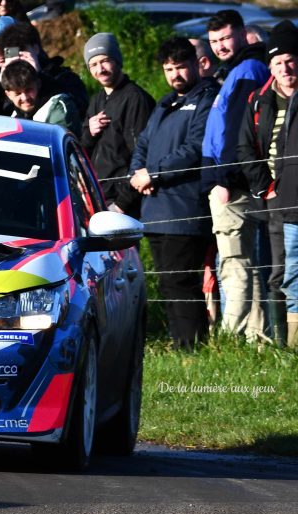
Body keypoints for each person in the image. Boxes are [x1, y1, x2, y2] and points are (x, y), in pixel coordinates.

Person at [129, 37, 218, 349]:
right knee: (167, 282)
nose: (175, 74)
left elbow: (195, 148)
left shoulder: (206, 98)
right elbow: (142, 144)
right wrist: (137, 174)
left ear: (196, 64)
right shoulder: (165, 103)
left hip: (184, 209)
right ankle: (179, 342)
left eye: (180, 67)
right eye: (169, 69)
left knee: (182, 281)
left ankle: (191, 344)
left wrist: (155, 173)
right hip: (154, 209)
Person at [202, 9, 270, 342]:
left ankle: (235, 335)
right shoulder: (236, 69)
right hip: (229, 178)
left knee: (234, 261)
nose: (220, 46)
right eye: (214, 41)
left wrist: (224, 178)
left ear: (242, 34)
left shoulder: (247, 69)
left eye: (226, 38)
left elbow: (236, 129)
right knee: (245, 262)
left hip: (231, 183)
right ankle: (256, 336)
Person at [238, 22, 298, 346]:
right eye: (277, 62)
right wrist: (267, 188)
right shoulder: (258, 100)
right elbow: (245, 149)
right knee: (279, 273)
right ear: (270, 66)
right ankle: (283, 344)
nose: (284, 68)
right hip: (275, 200)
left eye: (290, 60)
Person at [81, 32, 155, 219]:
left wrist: (122, 204)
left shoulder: (135, 99)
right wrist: (90, 132)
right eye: (93, 65)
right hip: (98, 196)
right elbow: (83, 149)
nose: (100, 69)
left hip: (121, 202)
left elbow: (143, 154)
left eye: (105, 61)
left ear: (117, 61)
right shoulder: (97, 100)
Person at [0, 59, 80, 136]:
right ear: (8, 95)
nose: (25, 98)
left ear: (38, 84)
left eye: (29, 90)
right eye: (18, 93)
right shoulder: (13, 118)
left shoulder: (58, 106)